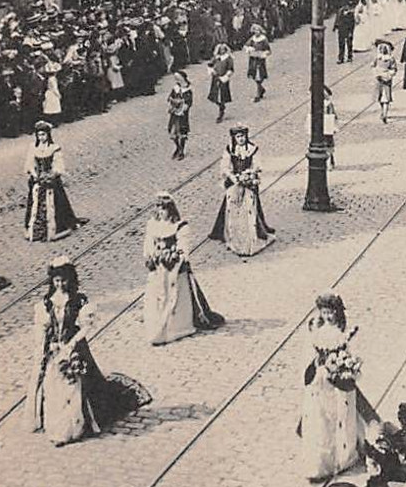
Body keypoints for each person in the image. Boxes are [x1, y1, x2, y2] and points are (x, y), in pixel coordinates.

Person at [27, 257, 151, 446]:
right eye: (56, 280)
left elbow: (85, 328)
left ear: (70, 280)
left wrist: (71, 345)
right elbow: (43, 327)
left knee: (73, 388)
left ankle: (71, 429)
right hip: (54, 351)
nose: (60, 284)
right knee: (53, 388)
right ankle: (55, 424)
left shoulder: (78, 301)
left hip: (73, 350)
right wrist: (45, 345)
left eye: (63, 280)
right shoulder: (47, 303)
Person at [298, 293, 377, 481]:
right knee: (323, 420)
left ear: (337, 312)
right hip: (321, 382)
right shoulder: (316, 330)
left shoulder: (344, 332)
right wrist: (319, 365)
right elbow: (309, 356)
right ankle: (323, 462)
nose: (328, 316)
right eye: (324, 312)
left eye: (331, 312)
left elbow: (349, 353)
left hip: (339, 382)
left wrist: (346, 366)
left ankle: (344, 457)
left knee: (343, 415)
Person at [143, 194, 224, 345]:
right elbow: (148, 243)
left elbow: (183, 249)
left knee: (175, 296)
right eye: (158, 209)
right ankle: (156, 323)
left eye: (164, 209)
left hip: (174, 269)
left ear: (171, 210)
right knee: (157, 296)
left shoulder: (180, 226)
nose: (161, 212)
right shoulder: (153, 224)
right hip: (158, 269)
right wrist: (151, 255)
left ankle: (177, 326)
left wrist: (174, 257)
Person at [210, 125, 275, 256]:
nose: (241, 139)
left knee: (252, 206)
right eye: (238, 137)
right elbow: (225, 166)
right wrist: (234, 177)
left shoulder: (252, 149)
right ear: (234, 138)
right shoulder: (230, 150)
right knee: (229, 205)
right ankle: (224, 230)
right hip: (234, 181)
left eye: (243, 136)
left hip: (248, 182)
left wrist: (249, 174)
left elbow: (257, 165)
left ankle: (258, 230)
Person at [24, 121, 78, 242]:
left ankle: (60, 228)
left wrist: (51, 175)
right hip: (38, 180)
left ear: (48, 135)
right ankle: (34, 229)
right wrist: (35, 175)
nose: (41, 137)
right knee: (34, 203)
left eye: (43, 135)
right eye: (39, 135)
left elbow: (58, 165)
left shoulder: (54, 148)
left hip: (51, 180)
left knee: (57, 202)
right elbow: (30, 163)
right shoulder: (33, 147)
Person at [167, 71, 192, 160]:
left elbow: (188, 102)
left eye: (178, 77)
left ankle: (182, 150)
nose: (176, 79)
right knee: (172, 131)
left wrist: (183, 106)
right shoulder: (175, 88)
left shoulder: (188, 90)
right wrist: (173, 101)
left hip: (182, 114)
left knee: (182, 132)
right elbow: (169, 97)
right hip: (174, 113)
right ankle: (177, 147)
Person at [207, 42, 234, 123]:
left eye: (223, 50)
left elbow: (231, 69)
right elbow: (210, 65)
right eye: (220, 50)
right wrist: (212, 71)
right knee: (215, 95)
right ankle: (220, 106)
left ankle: (221, 111)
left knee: (222, 94)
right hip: (215, 78)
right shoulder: (216, 58)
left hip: (223, 78)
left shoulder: (228, 58)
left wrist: (226, 76)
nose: (222, 51)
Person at [373, 39, 398, 124]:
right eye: (381, 48)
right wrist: (376, 73)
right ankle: (382, 111)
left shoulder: (391, 59)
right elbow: (373, 67)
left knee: (386, 98)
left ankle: (384, 114)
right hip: (378, 80)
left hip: (386, 80)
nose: (383, 49)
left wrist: (389, 75)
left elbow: (394, 69)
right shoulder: (377, 58)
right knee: (380, 97)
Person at [245, 24, 271, 102]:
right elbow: (246, 45)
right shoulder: (252, 39)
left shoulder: (263, 39)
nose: (256, 32)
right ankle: (261, 89)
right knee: (254, 75)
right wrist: (249, 49)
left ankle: (257, 94)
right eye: (255, 30)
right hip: (253, 59)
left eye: (258, 30)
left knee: (259, 75)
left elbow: (268, 50)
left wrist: (263, 54)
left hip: (260, 59)